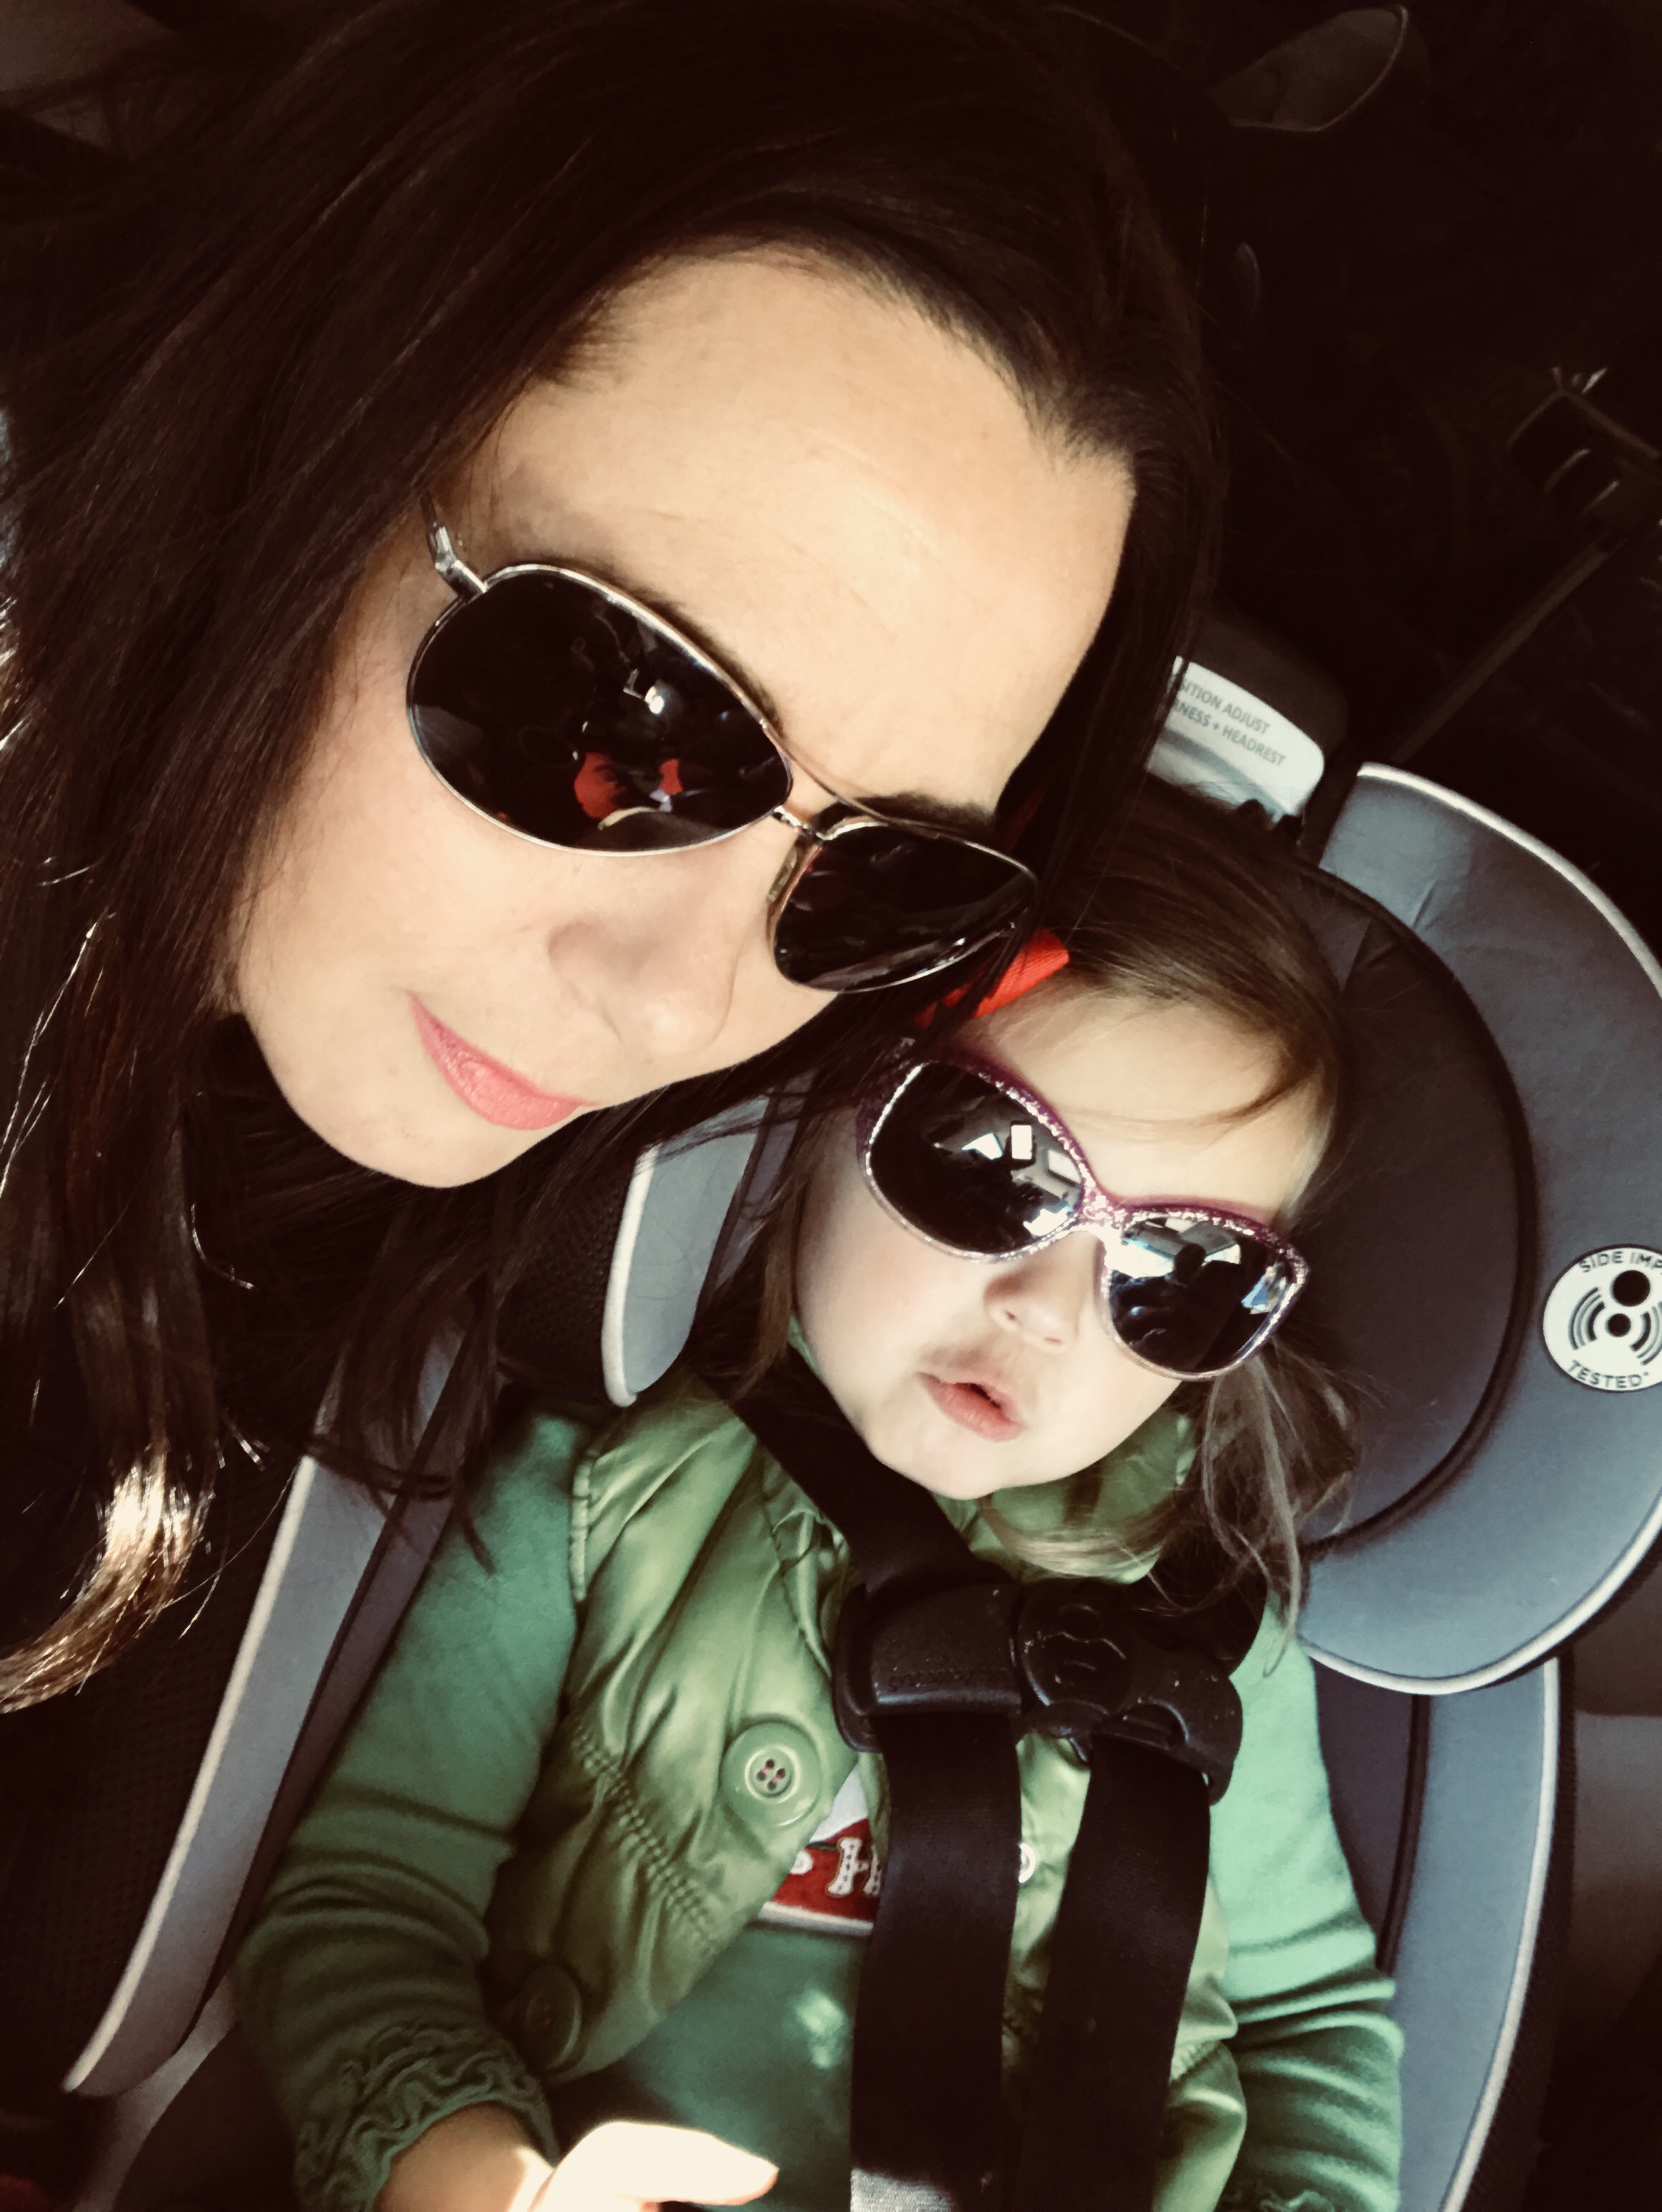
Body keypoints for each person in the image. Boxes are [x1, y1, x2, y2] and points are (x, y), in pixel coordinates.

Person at [237, 782, 1403, 2212]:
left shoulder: (1210, 1628)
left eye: (1184, 1271)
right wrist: (494, 2183)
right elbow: (365, 1904)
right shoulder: (595, 1494)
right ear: (811, 1106)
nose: (1047, 1310)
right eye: (990, 1167)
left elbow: (1311, 2023)